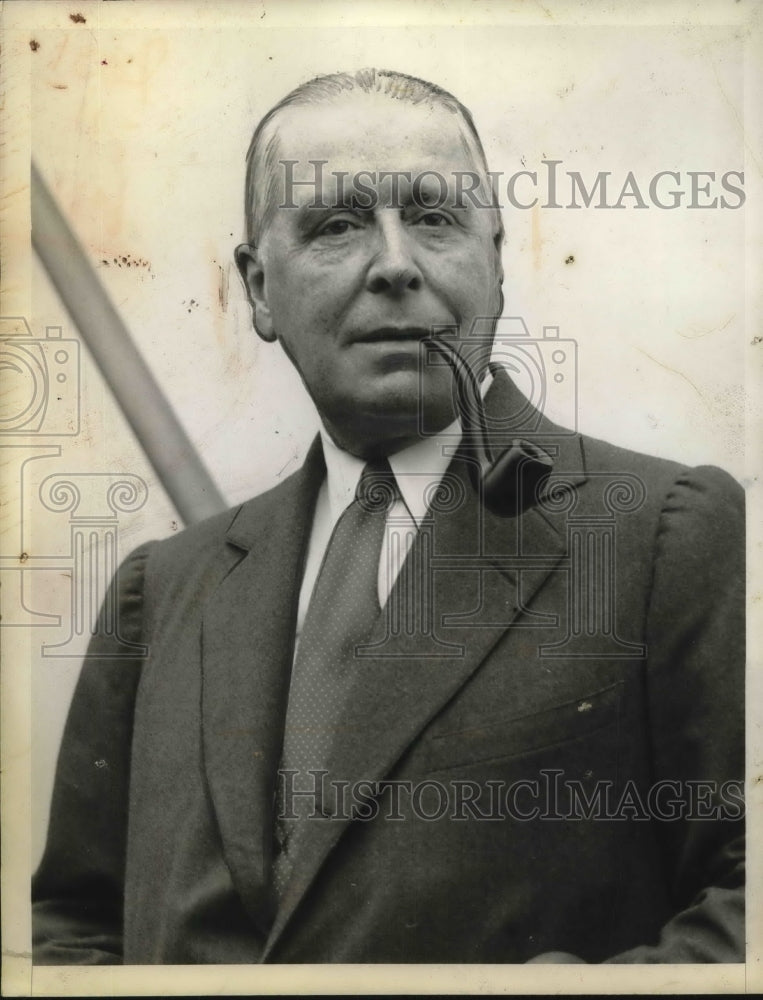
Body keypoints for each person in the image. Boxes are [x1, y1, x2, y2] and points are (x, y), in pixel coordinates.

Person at [32, 68, 744, 965]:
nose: (397, 263)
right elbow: (73, 928)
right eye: (336, 224)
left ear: (495, 258)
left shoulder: (663, 533)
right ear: (256, 290)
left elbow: (742, 895)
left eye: (436, 218)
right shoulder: (158, 590)